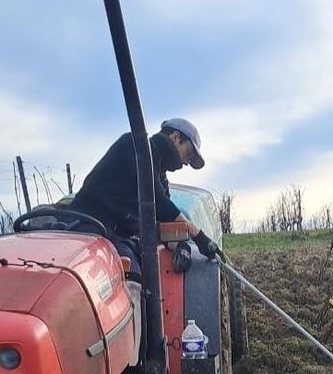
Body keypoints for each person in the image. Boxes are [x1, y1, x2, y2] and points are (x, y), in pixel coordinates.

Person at [69, 117, 221, 276]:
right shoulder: (135, 146)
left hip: (116, 237)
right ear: (175, 137)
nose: (186, 164)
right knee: (130, 277)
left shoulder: (160, 176)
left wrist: (181, 246)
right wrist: (199, 237)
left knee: (142, 274)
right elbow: (160, 205)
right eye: (188, 154)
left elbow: (161, 223)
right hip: (87, 225)